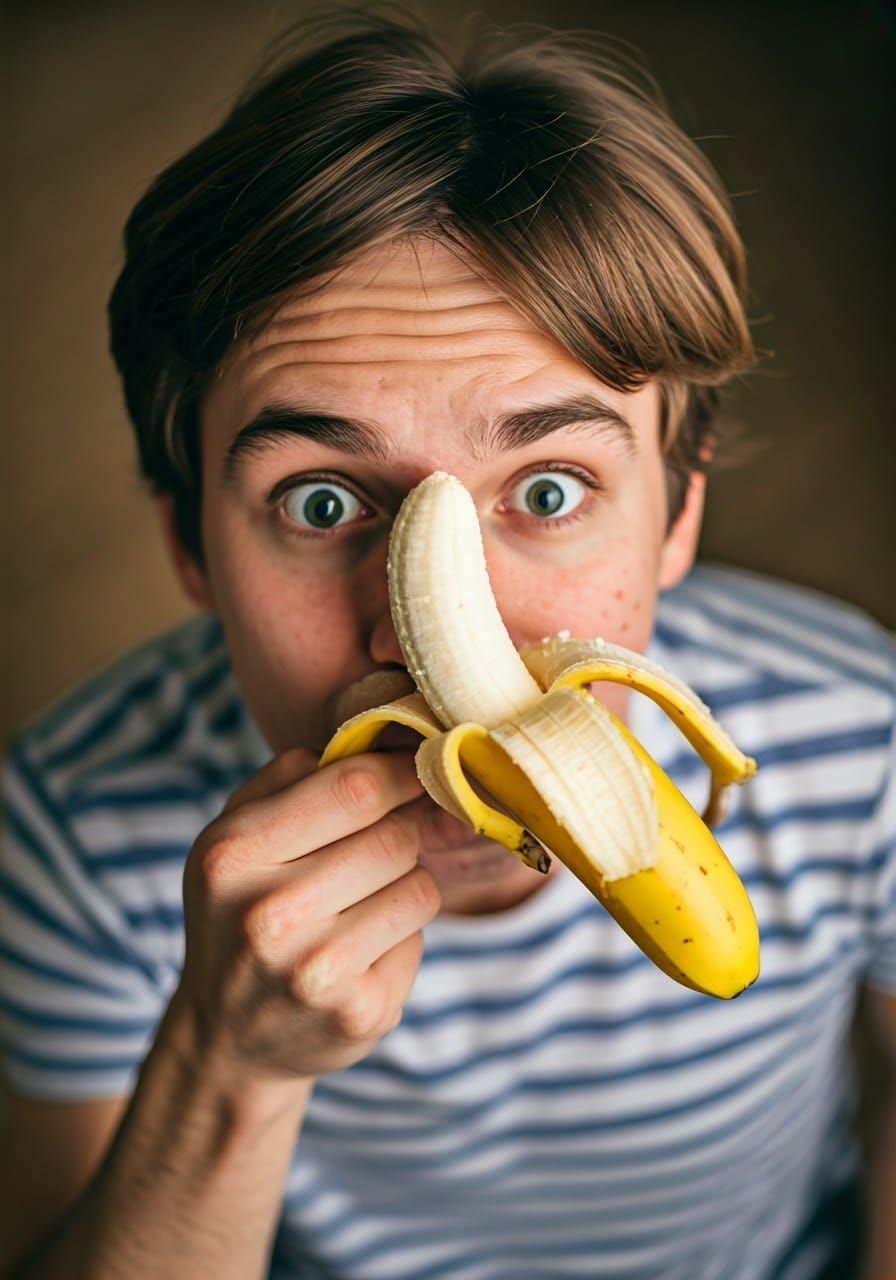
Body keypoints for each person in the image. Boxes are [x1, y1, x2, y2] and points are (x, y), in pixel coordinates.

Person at [1, 13, 893, 1280]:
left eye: (545, 490)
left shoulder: (864, 740)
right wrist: (227, 1065)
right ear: (188, 546)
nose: (423, 644)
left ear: (677, 510)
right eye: (321, 501)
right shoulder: (77, 829)